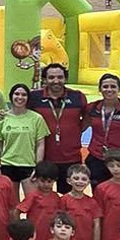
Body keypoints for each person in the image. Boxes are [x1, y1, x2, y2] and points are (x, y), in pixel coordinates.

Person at [33, 64, 87, 193]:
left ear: (65, 79)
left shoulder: (77, 97)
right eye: (51, 77)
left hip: (71, 158)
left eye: (60, 77)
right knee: (43, 199)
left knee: (69, 199)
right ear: (45, 79)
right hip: (44, 158)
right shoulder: (34, 98)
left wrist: (75, 130)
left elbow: (88, 119)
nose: (56, 81)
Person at [82, 74, 120, 185]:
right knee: (98, 194)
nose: (109, 89)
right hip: (96, 158)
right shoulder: (92, 108)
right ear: (100, 89)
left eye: (113, 86)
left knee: (119, 195)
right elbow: (80, 128)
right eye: (105, 86)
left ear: (119, 89)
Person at [0, 83, 48, 195]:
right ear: (11, 96)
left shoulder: (36, 118)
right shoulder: (2, 118)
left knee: (33, 202)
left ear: (28, 98)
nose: (20, 97)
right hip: (7, 165)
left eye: (24, 95)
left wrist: (38, 167)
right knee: (12, 205)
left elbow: (40, 144)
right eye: (17, 94)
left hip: (28, 165)